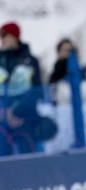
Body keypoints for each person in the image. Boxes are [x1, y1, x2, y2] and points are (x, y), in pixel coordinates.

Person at [0, 21, 56, 155]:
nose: (2, 39)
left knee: (27, 157)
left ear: (14, 37)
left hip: (24, 118)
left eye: (4, 35)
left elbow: (36, 91)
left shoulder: (30, 61)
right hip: (1, 119)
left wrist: (14, 112)